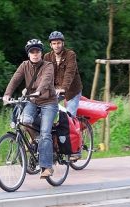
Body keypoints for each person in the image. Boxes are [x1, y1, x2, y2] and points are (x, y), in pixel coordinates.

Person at [3, 39, 58, 179]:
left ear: (41, 53)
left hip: (49, 102)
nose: (35, 54)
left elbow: (46, 80)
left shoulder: (48, 65)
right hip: (33, 101)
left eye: (37, 51)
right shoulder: (24, 65)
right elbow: (15, 79)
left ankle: (47, 167)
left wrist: (38, 91)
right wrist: (7, 94)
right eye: (32, 52)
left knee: (46, 132)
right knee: (25, 120)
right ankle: (36, 140)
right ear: (28, 54)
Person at [44, 31, 83, 160]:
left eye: (59, 43)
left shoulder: (70, 55)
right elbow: (44, 75)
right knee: (48, 114)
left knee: (69, 117)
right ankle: (55, 146)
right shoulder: (47, 57)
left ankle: (75, 150)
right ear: (50, 45)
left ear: (63, 43)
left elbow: (70, 74)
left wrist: (63, 89)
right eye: (54, 43)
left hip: (72, 91)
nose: (57, 46)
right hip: (54, 91)